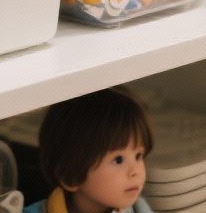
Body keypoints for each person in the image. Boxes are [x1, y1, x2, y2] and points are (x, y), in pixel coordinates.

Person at [24, 88, 154, 213]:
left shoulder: (138, 208)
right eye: (118, 160)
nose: (135, 172)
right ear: (71, 176)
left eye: (138, 156)